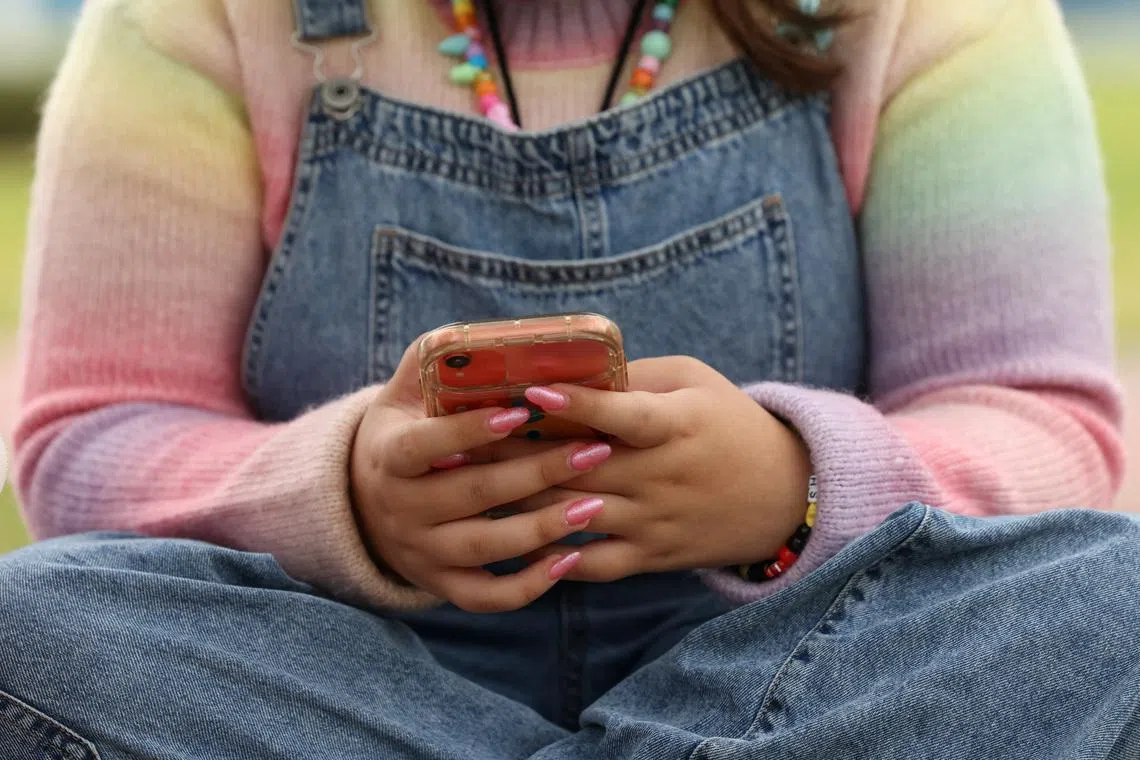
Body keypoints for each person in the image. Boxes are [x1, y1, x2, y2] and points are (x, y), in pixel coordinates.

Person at [1, 0, 1137, 757]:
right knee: (29, 627)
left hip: (809, 669)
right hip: (342, 676)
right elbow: (91, 433)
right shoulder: (201, 17)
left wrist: (792, 488)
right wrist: (344, 493)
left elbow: (1048, 422)